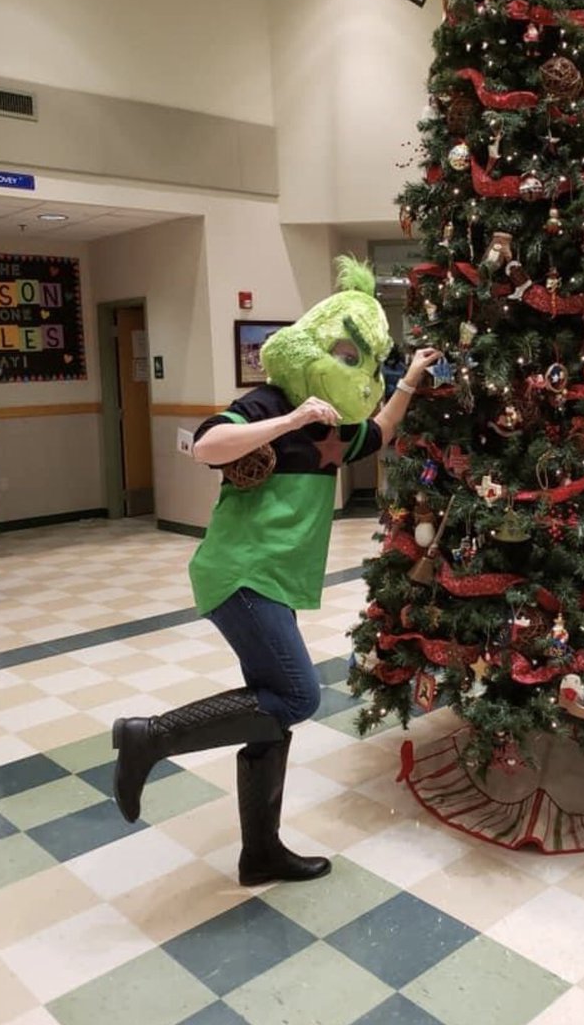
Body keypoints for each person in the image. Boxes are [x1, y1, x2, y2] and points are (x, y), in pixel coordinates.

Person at [112, 258, 439, 886]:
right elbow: (207, 446)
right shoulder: (269, 401)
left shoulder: (339, 429)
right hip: (240, 574)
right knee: (297, 694)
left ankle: (260, 851)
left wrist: (411, 379)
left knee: (273, 710)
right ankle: (148, 738)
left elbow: (382, 429)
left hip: (274, 580)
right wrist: (290, 420)